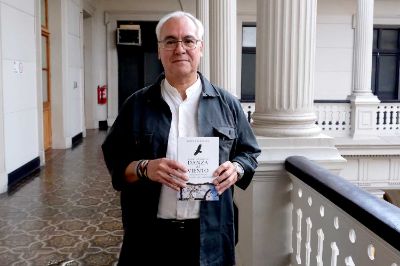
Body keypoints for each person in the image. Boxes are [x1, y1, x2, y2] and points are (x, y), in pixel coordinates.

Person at [102, 10, 260, 266]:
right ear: (159, 50)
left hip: (209, 235)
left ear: (201, 48)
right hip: (150, 236)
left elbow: (249, 153)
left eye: (188, 40)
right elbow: (116, 165)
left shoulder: (227, 104)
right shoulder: (136, 105)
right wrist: (145, 168)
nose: (180, 48)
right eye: (170, 41)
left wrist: (237, 168)